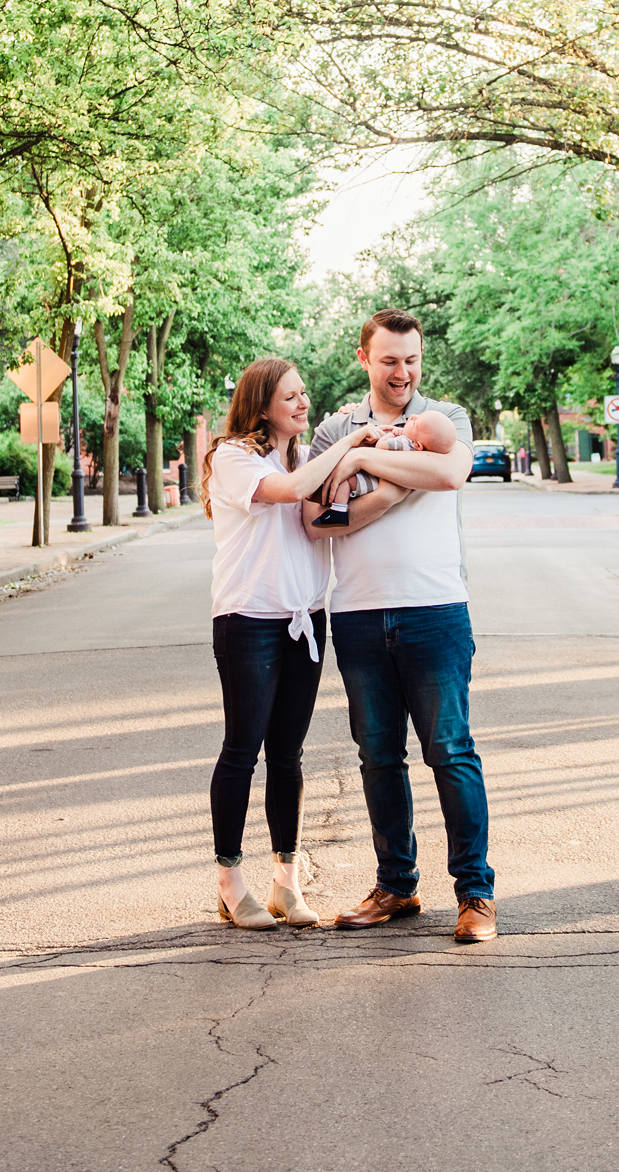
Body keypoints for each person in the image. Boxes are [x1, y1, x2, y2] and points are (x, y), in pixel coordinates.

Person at [304, 309, 497, 944]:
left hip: (436, 609)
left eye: (412, 359)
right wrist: (391, 488)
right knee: (378, 756)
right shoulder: (336, 427)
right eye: (390, 361)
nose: (403, 373)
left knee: (451, 751)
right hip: (358, 613)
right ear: (365, 359)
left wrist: (363, 469)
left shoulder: (448, 419)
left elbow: (450, 473)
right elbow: (317, 520)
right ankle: (397, 885)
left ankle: (475, 894)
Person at [202, 356, 376, 930]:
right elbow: (291, 491)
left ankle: (285, 881)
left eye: (305, 395)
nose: (303, 403)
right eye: (291, 397)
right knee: (242, 751)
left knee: (289, 754)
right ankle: (230, 882)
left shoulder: (301, 454)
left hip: (306, 618)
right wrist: (350, 443)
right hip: (248, 620)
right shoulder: (233, 458)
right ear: (262, 405)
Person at [314, 408, 458, 527]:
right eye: (417, 416)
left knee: (344, 482)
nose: (413, 416)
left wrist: (389, 435)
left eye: (415, 423)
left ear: (418, 446)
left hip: (372, 480)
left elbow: (381, 446)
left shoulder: (405, 442)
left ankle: (338, 511)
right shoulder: (421, 451)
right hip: (376, 481)